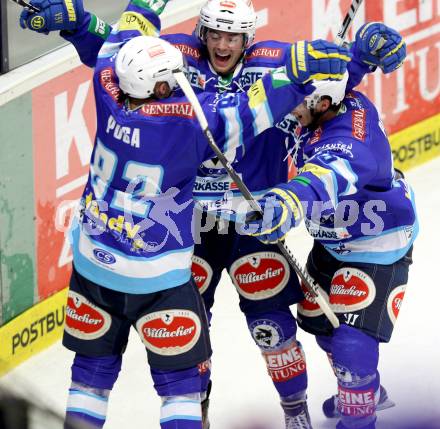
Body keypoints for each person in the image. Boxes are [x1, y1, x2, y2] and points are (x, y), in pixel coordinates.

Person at [19, 1, 406, 428]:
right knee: (189, 332)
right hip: (190, 224)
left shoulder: (271, 58)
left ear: (248, 39)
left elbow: (328, 83)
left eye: (233, 37)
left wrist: (359, 60)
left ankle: (295, 413)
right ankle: (195, 415)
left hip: (251, 220)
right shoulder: (175, 59)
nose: (223, 45)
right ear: (202, 33)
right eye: (215, 35)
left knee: (271, 326)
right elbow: (132, 62)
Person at [245, 70, 418, 429]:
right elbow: (335, 71)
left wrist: (288, 202)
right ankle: (368, 389)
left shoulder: (350, 142)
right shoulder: (327, 100)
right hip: (334, 240)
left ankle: (360, 407)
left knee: (351, 346)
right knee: (322, 325)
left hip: (375, 245)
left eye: (294, 103)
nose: (286, 109)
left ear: (323, 104)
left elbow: (326, 176)